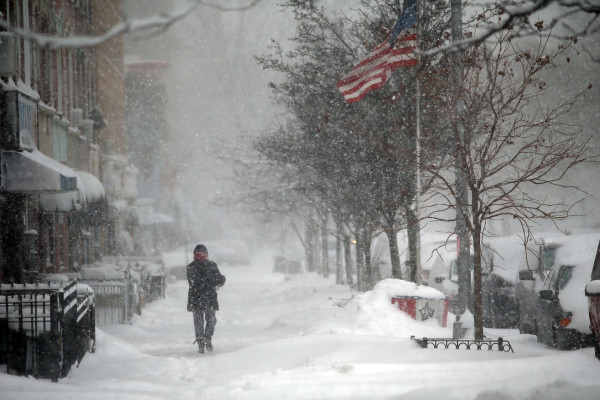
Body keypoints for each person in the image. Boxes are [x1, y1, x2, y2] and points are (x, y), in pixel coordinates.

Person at [187, 244, 226, 353]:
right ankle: (207, 338)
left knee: (198, 321)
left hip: (195, 298)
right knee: (211, 319)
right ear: (207, 254)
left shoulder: (190, 267)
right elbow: (219, 281)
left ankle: (200, 343)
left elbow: (192, 282)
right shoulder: (212, 265)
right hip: (209, 297)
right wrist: (221, 279)